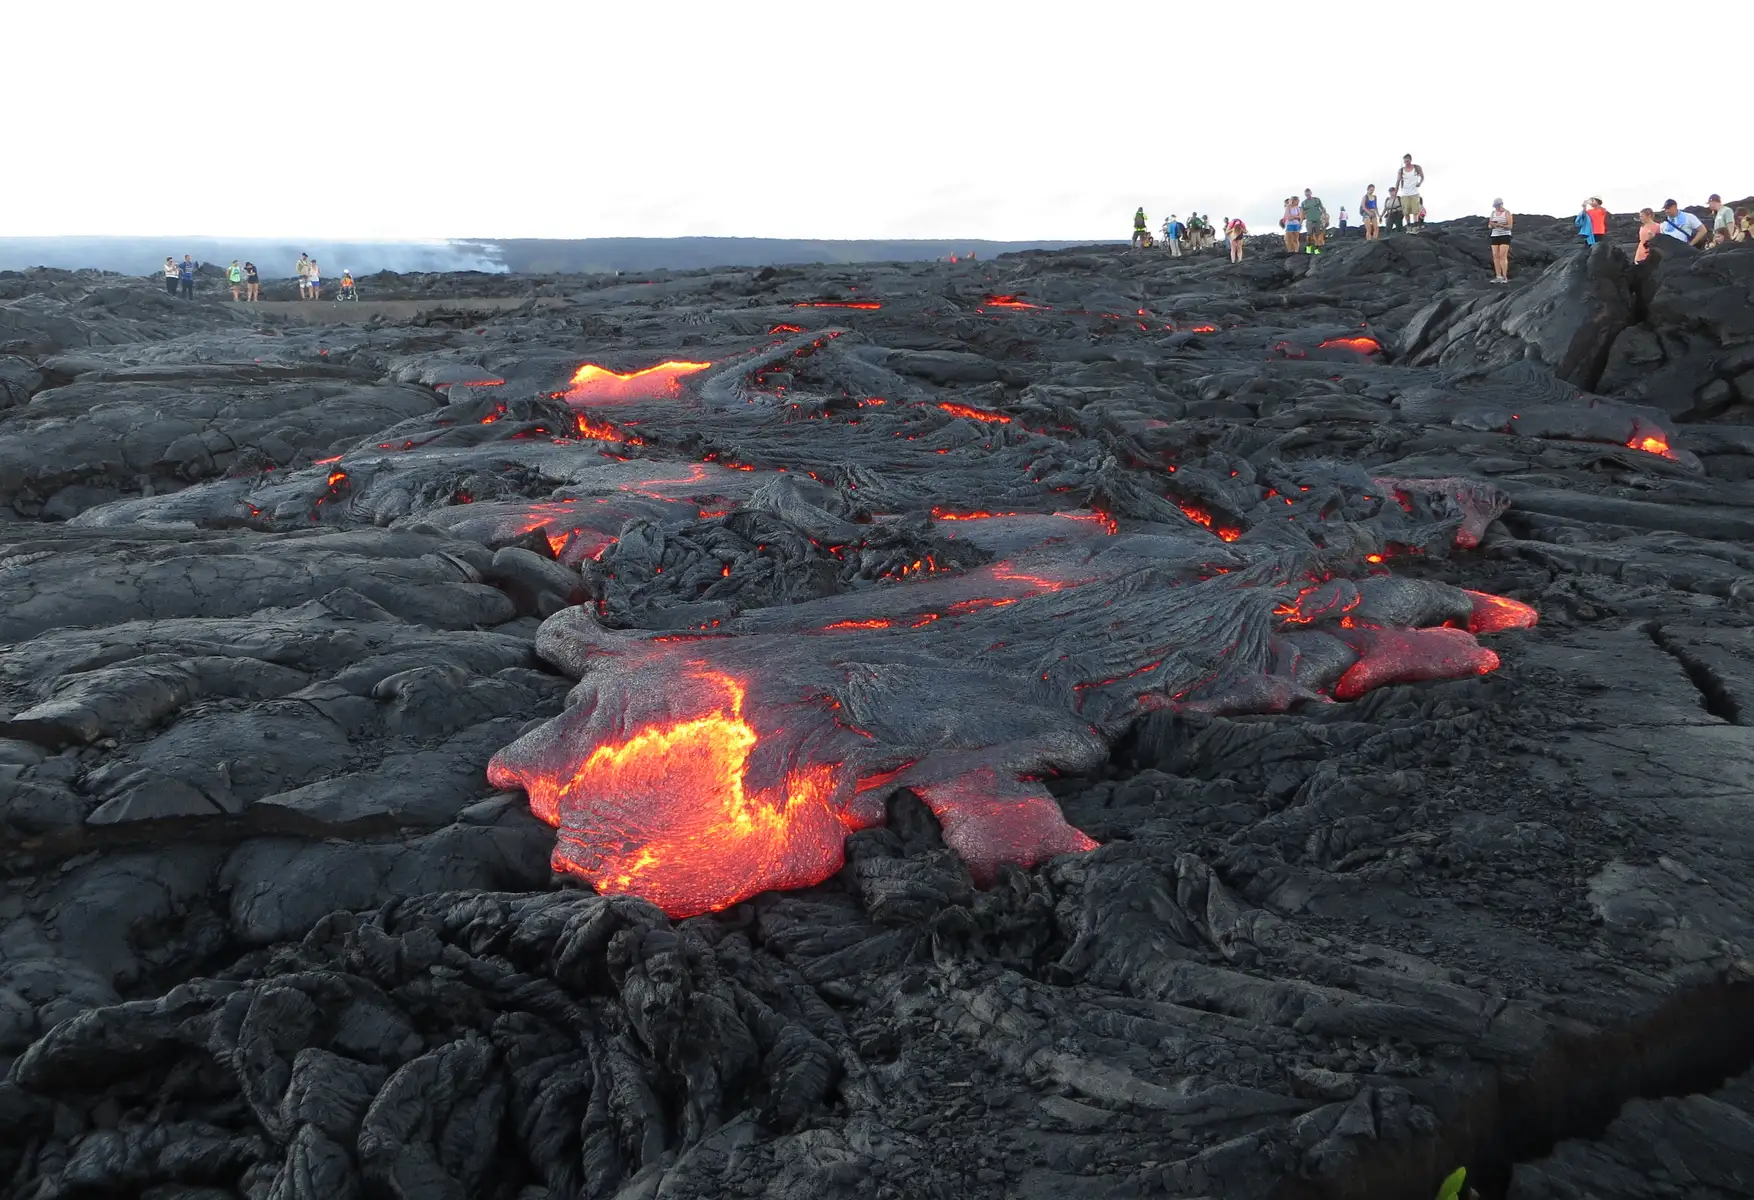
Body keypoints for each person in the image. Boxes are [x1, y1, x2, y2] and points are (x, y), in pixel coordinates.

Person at [1487, 198, 1514, 283]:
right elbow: (1489, 225)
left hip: (1505, 236)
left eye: (1497, 206)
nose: (1496, 208)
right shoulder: (1493, 213)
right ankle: (1498, 276)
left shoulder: (1507, 213)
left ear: (1501, 205)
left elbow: (1510, 226)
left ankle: (1505, 277)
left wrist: (1499, 225)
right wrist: (1492, 225)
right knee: (1495, 256)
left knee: (1502, 256)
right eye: (1495, 206)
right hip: (1495, 235)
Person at [1396, 154, 1424, 229]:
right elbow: (1398, 181)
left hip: (1414, 192)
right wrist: (1396, 190)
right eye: (1405, 162)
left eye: (1407, 161)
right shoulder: (1401, 170)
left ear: (1410, 160)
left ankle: (1415, 226)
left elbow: (1422, 176)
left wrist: (1420, 183)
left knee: (1415, 210)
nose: (1406, 163)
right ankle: (1408, 225)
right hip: (1405, 193)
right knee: (1406, 211)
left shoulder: (1417, 168)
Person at [1302, 189, 1327, 254]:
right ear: (1305, 195)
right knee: (1309, 234)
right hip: (1309, 220)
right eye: (1306, 194)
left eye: (1308, 194)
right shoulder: (1304, 203)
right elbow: (1302, 213)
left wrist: (1325, 216)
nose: (1308, 195)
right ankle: (1308, 248)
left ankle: (1316, 250)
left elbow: (1322, 208)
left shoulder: (1317, 200)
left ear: (1311, 193)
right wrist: (1301, 222)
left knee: (1317, 235)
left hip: (1318, 220)